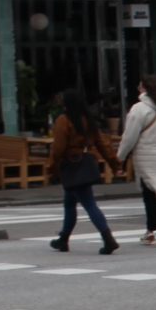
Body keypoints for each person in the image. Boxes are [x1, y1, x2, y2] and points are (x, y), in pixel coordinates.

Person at [47, 87, 119, 255]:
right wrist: (115, 164)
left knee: (89, 204)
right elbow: (103, 144)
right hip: (85, 165)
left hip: (72, 167)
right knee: (70, 202)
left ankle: (108, 239)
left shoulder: (64, 120)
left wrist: (50, 167)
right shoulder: (88, 120)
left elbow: (58, 148)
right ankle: (63, 239)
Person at [115, 74, 156, 246]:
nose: (138, 89)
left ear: (145, 89)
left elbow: (129, 137)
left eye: (139, 87)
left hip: (146, 156)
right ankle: (151, 230)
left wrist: (120, 157)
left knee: (151, 195)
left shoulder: (139, 109)